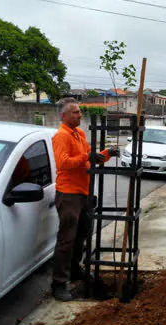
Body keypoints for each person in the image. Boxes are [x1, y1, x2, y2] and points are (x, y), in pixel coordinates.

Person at [51, 97, 120, 302]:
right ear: (64, 116)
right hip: (69, 194)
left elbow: (90, 156)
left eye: (79, 111)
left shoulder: (79, 134)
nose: (80, 115)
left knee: (81, 235)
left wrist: (106, 154)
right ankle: (59, 283)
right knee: (67, 239)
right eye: (75, 112)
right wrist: (86, 157)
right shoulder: (61, 136)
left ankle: (74, 270)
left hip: (83, 192)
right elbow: (63, 163)